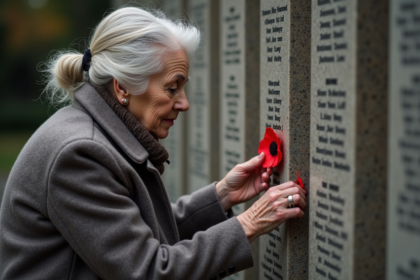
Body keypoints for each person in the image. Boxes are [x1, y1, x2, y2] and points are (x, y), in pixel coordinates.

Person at [0, 7, 306, 280]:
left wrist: (222, 195)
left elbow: (131, 233)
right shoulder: (79, 154)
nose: (184, 103)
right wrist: (251, 221)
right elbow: (147, 270)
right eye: (172, 88)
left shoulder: (93, 134)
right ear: (123, 87)